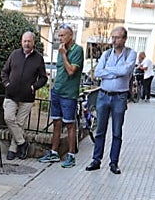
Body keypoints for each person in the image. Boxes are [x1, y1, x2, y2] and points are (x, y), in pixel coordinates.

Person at [88, 25, 136, 175]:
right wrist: (115, 73)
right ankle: (96, 160)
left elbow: (125, 71)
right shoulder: (107, 54)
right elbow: (97, 72)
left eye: (117, 37)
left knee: (116, 132)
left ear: (124, 38)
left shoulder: (131, 54)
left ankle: (114, 163)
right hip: (103, 95)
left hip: (119, 97)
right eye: (113, 37)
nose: (114, 40)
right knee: (100, 130)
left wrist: (108, 71)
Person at [38, 24, 84, 168]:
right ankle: (54, 152)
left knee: (69, 124)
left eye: (62, 35)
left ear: (71, 35)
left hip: (68, 94)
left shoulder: (77, 50)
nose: (60, 38)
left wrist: (64, 54)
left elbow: (71, 71)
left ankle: (71, 155)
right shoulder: (60, 50)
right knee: (56, 122)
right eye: (59, 36)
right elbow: (60, 69)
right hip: (57, 91)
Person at [0, 31, 47, 160]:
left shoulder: (38, 58)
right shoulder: (14, 54)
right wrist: (7, 84)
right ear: (21, 41)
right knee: (8, 118)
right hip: (11, 95)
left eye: (29, 41)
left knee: (19, 124)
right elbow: (4, 72)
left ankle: (12, 149)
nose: (26, 44)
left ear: (33, 42)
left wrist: (34, 87)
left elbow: (43, 78)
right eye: (24, 41)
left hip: (27, 98)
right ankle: (23, 143)